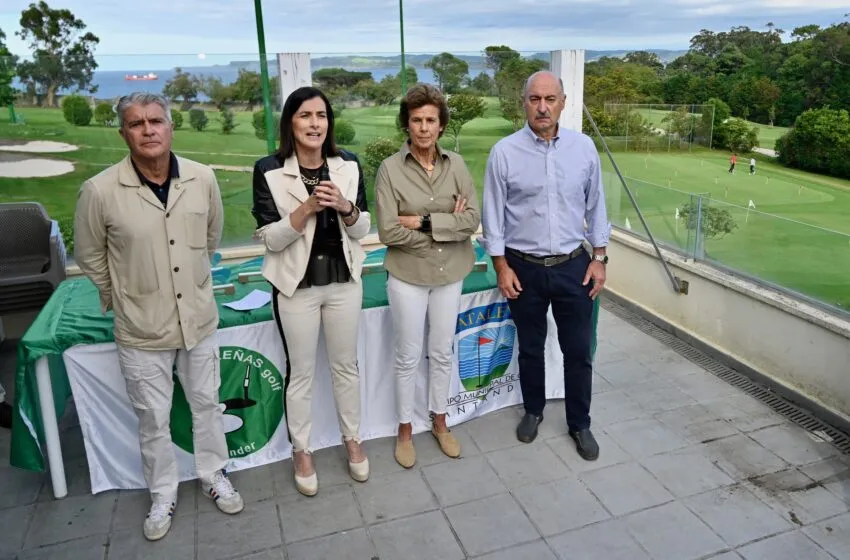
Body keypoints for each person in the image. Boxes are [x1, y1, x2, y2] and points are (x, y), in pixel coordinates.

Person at [74, 92, 243, 541]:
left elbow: (210, 238)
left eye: (155, 121)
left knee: (207, 405)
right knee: (153, 418)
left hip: (198, 321)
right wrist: (121, 295)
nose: (147, 130)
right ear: (123, 133)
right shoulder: (100, 190)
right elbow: (90, 254)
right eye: (136, 123)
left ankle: (213, 474)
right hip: (141, 329)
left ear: (170, 127)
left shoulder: (202, 179)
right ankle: (163, 492)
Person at [481, 71, 611, 461]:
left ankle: (580, 423)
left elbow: (597, 206)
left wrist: (600, 258)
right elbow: (493, 217)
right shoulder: (504, 152)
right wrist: (502, 267)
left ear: (563, 102)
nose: (542, 107)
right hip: (524, 268)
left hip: (575, 266)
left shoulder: (584, 148)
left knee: (577, 350)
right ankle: (534, 411)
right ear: (524, 102)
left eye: (550, 99)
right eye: (535, 99)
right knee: (531, 348)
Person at [252, 86, 371, 497]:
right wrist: (304, 209)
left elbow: (362, 228)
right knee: (300, 373)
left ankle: (352, 439)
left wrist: (343, 205)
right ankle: (301, 449)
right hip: (295, 287)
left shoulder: (348, 165)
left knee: (345, 366)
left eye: (321, 115)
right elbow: (269, 239)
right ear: (290, 122)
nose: (315, 123)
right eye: (305, 116)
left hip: (343, 282)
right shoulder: (268, 168)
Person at [376, 83, 481, 469]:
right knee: (406, 356)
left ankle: (440, 420)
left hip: (450, 274)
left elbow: (472, 220)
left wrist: (421, 222)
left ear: (441, 125)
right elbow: (388, 231)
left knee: (441, 352)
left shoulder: (457, 165)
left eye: (431, 120)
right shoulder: (389, 169)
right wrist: (445, 230)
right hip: (407, 275)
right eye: (416, 120)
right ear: (407, 124)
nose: (423, 128)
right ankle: (405, 429)